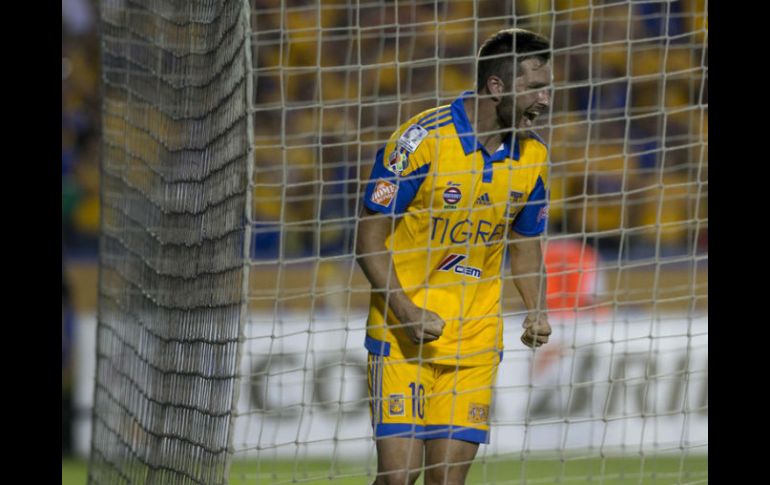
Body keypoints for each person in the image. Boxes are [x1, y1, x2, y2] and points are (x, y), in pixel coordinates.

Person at [355, 28, 553, 485]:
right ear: (497, 87)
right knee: (398, 478)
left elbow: (524, 247)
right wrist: (404, 311)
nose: (543, 100)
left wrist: (536, 310)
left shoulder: (534, 156)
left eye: (547, 88)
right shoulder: (422, 140)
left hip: (475, 338)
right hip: (401, 337)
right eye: (532, 88)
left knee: (446, 480)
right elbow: (368, 237)